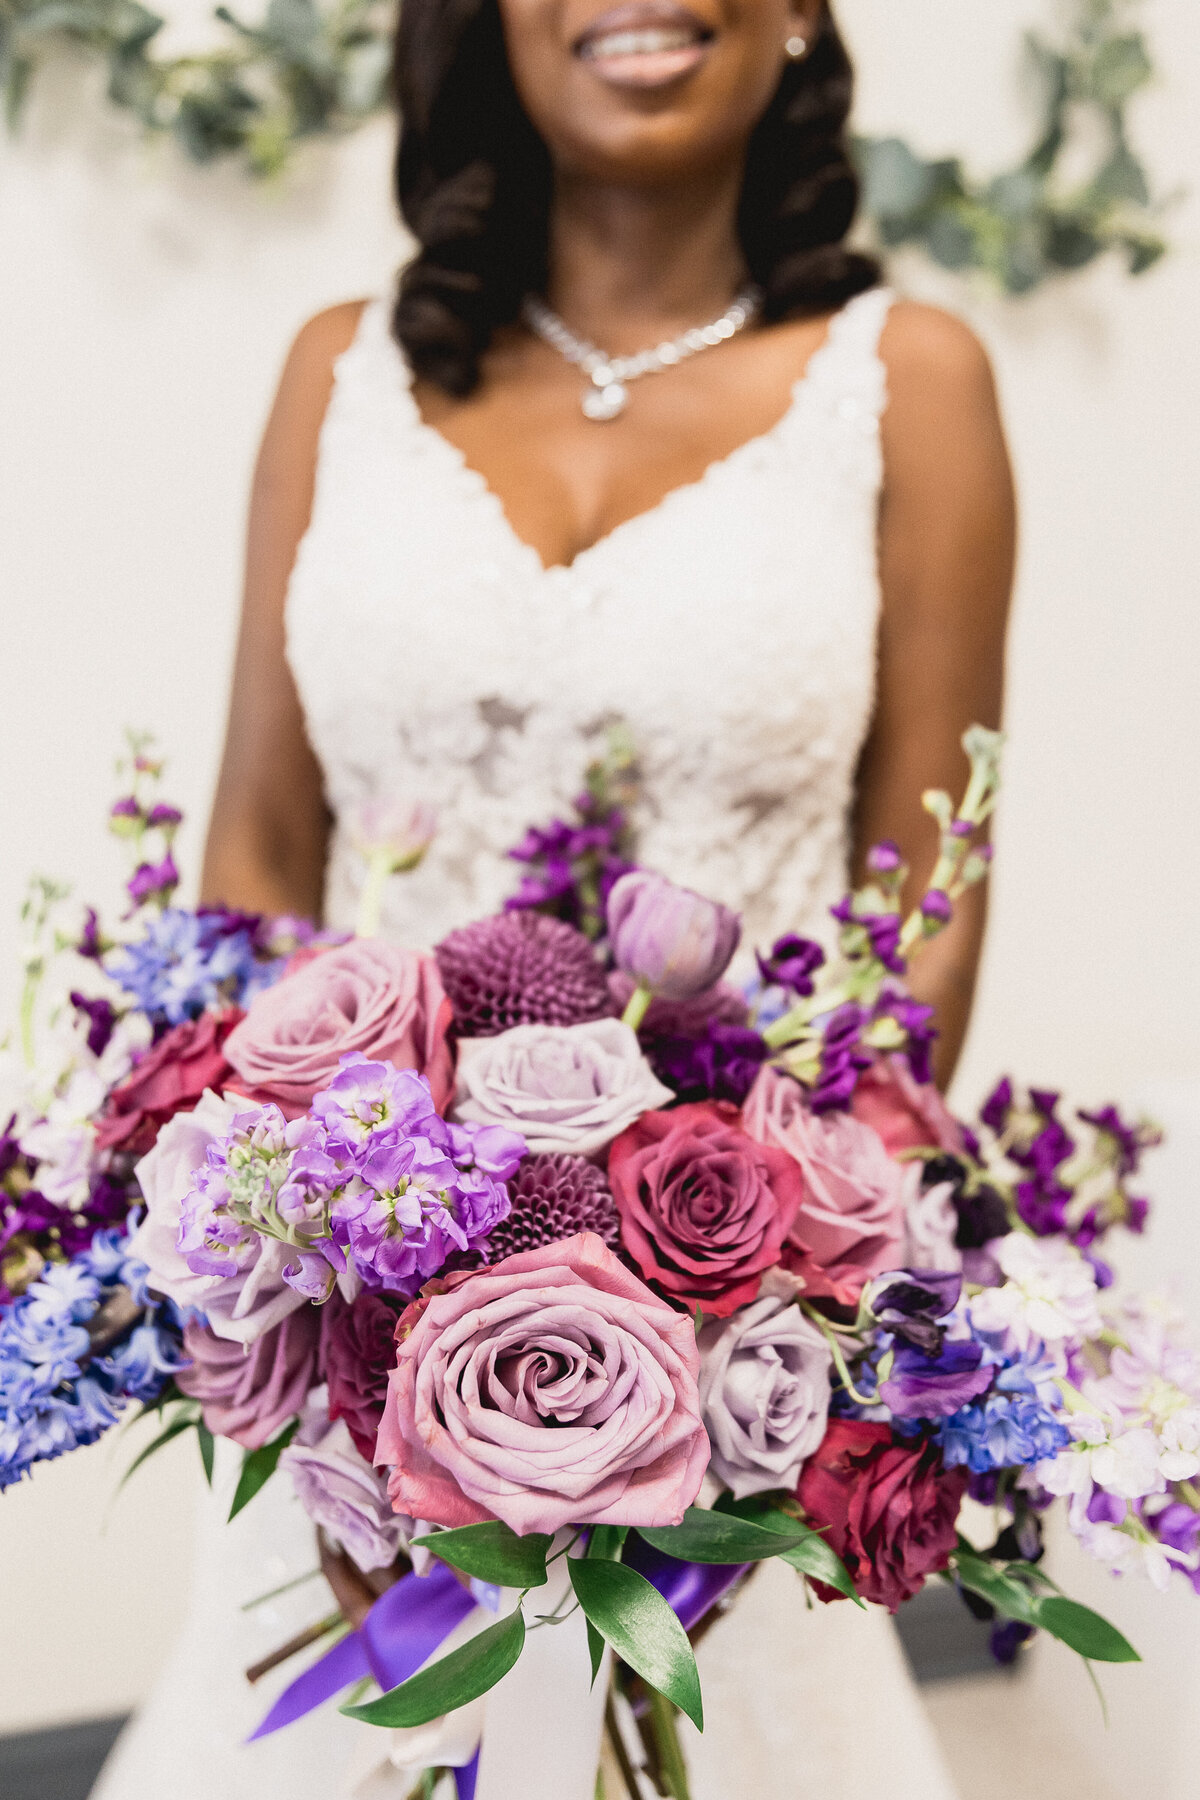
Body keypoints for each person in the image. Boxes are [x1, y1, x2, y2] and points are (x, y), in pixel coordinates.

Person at [93, 0, 1014, 1795]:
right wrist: (312, 1308)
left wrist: (750, 1312)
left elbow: (928, 903)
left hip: (727, 1380)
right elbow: (262, 857)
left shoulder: (915, 380)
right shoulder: (336, 371)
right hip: (348, 1356)